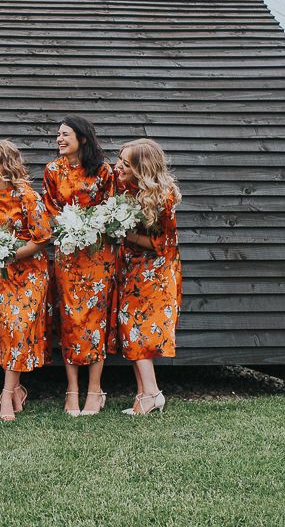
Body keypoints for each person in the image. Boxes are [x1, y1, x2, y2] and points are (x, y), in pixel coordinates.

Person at [42, 116, 115, 417]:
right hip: (68, 255)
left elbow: (111, 208)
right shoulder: (52, 170)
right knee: (70, 318)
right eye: (57, 135)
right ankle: (72, 389)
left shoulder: (103, 170)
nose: (59, 139)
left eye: (65, 134)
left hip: (98, 255)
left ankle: (95, 390)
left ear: (82, 138)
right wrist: (65, 227)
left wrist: (92, 226)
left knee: (96, 320)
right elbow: (48, 210)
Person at [107, 138, 182, 415]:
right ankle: (144, 394)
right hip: (131, 268)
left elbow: (165, 244)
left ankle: (151, 393)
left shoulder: (164, 196)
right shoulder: (125, 188)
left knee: (136, 330)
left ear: (142, 168)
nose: (119, 167)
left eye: (126, 164)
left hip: (156, 271)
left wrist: (128, 235)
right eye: (120, 160)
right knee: (130, 329)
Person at [0, 140, 51, 421]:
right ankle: (17, 387)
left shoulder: (26, 196)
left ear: (2, 165)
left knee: (18, 324)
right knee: (8, 327)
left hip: (31, 271)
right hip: (4, 274)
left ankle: (6, 394)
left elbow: (43, 237)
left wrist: (11, 255)